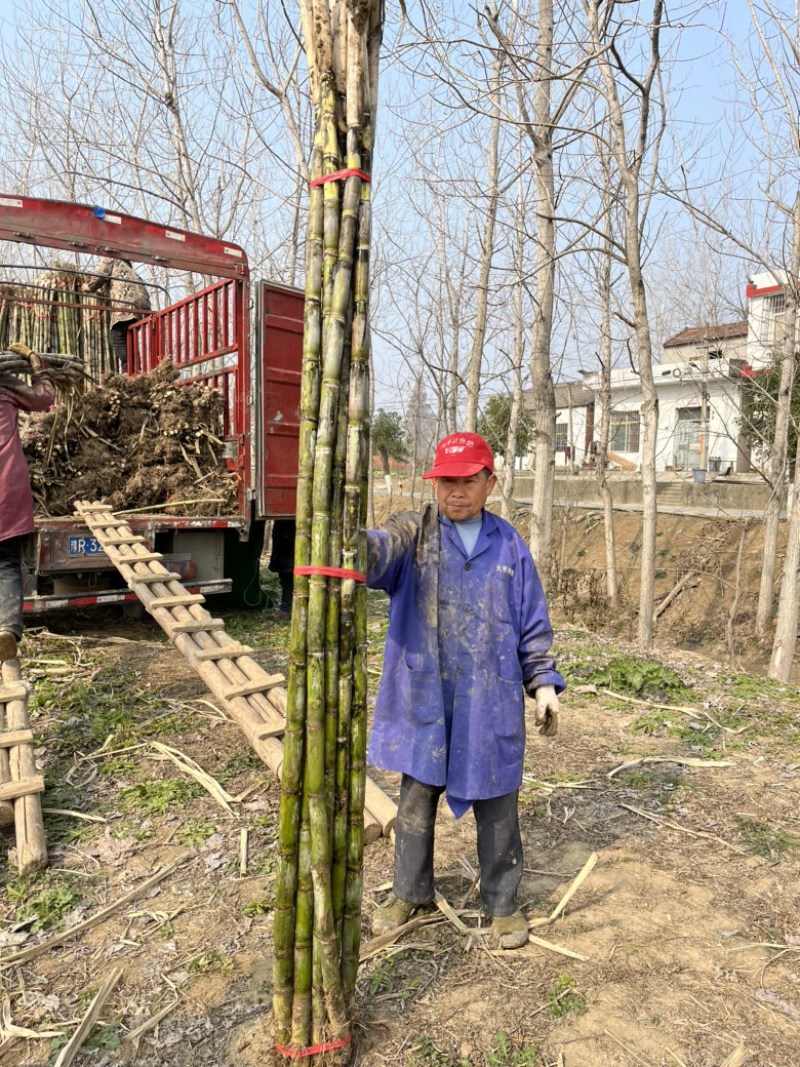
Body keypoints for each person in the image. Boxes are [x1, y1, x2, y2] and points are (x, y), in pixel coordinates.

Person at [366, 431, 565, 949]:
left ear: (489, 482)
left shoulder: (509, 545)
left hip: (488, 699)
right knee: (415, 800)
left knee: (498, 801)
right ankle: (410, 892)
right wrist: (351, 543)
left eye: (468, 480)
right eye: (446, 481)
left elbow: (531, 623)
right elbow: (375, 554)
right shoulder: (415, 533)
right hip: (426, 695)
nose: (456, 491)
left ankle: (501, 903)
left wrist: (543, 682)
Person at [0, 342, 56, 662]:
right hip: (6, 487)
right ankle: (7, 629)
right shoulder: (5, 383)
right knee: (5, 561)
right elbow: (44, 398)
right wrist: (37, 364)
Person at [82, 258, 151, 372]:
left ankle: (129, 367)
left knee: (116, 337)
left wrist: (88, 286)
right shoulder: (127, 267)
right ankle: (133, 370)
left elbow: (101, 274)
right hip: (142, 304)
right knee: (129, 339)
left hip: (127, 302)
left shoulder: (111, 256)